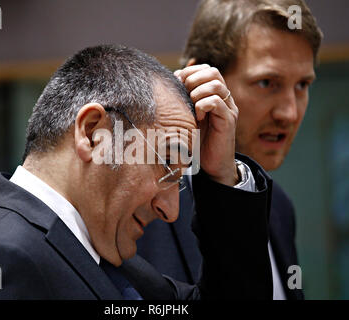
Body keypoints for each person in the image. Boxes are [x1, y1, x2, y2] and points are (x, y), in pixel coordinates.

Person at [0, 44, 273, 299]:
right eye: (167, 164)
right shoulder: (2, 260)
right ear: (93, 133)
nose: (171, 210)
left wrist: (223, 174)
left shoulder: (101, 251)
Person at [137, 0, 323, 300]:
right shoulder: (142, 207)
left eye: (302, 85)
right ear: (199, 82)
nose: (289, 112)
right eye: (267, 82)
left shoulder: (280, 209)